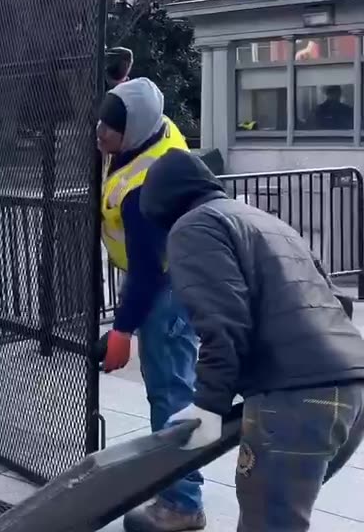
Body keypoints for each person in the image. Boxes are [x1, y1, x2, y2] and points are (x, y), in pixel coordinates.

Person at [141, 149, 364, 532]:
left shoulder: (194, 227)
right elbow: (338, 301)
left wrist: (208, 404)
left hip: (297, 397)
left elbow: (223, 319)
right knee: (280, 517)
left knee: (269, 522)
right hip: (352, 387)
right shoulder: (267, 223)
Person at [95, 78, 205, 532]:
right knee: (175, 390)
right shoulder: (154, 133)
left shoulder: (146, 188)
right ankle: (180, 489)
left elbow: (147, 271)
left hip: (170, 288)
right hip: (168, 280)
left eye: (110, 128)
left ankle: (183, 503)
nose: (100, 133)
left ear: (133, 131)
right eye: (102, 120)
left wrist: (123, 331)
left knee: (173, 395)